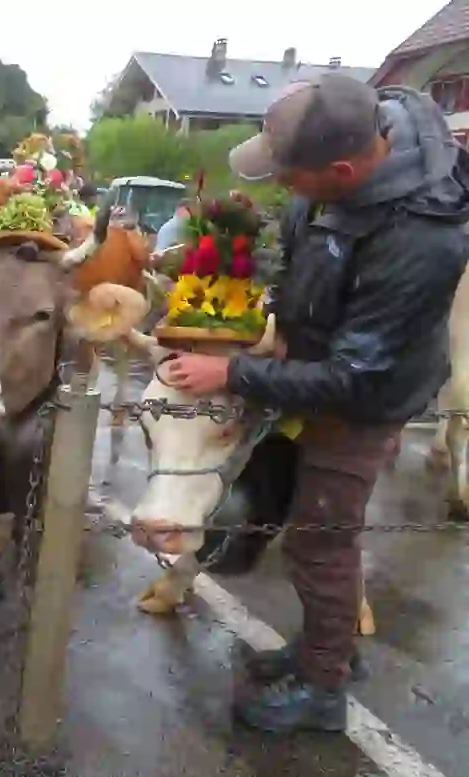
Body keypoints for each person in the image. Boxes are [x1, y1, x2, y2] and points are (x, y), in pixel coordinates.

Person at [163, 73, 469, 732]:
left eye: (288, 175)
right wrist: (268, 316)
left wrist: (233, 372)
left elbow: (352, 376)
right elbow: (303, 260)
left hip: (365, 398)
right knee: (315, 532)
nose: (279, 186)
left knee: (320, 539)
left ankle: (325, 688)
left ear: (341, 168)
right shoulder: (335, 183)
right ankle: (324, 649)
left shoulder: (422, 238)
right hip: (319, 363)